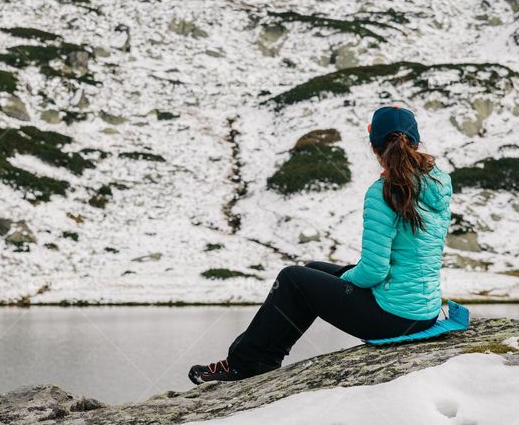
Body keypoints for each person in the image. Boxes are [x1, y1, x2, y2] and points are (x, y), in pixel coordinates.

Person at [189, 106, 453, 384]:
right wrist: (344, 278)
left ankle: (246, 363)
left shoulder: (383, 191)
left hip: (393, 318)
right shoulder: (439, 182)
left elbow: (375, 271)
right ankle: (260, 356)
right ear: (415, 141)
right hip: (424, 313)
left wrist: (347, 278)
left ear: (375, 147)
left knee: (292, 278)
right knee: (313, 270)